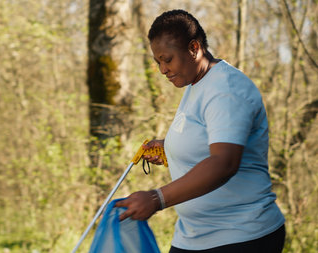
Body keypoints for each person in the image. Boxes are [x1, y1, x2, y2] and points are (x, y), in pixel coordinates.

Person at [115, 9, 285, 253]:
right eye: (158, 62)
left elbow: (223, 163)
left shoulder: (225, 89)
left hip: (240, 238)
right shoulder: (196, 83)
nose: (162, 69)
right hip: (193, 236)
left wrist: (156, 198)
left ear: (194, 48)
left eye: (167, 59)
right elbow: (208, 138)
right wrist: (169, 147)